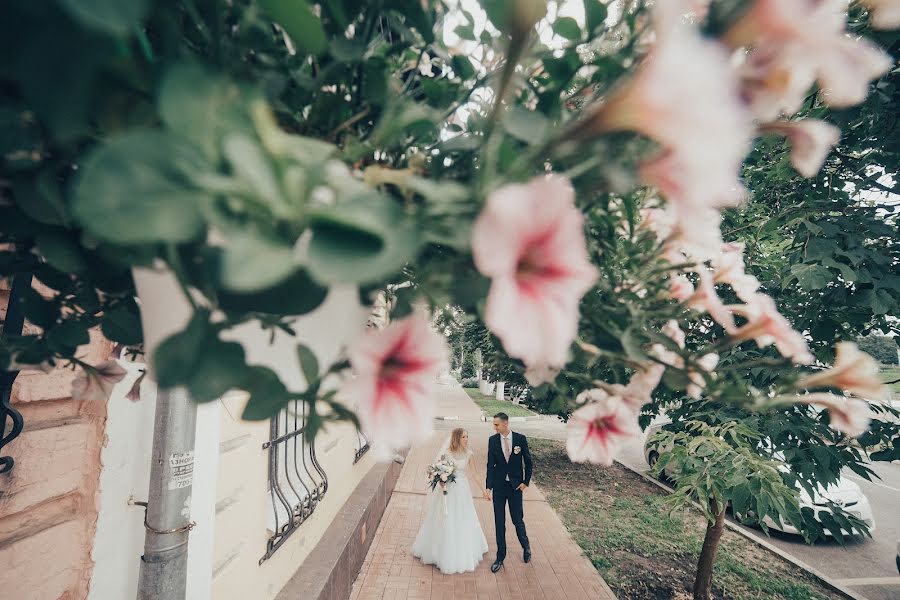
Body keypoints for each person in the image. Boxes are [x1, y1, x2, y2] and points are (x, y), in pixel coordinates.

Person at [411, 428, 488, 574]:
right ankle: (438, 551)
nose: (466, 439)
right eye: (464, 437)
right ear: (457, 438)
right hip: (448, 490)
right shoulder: (446, 453)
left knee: (463, 517)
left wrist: (484, 490)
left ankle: (462, 549)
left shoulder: (469, 454)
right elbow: (436, 470)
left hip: (462, 490)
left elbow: (475, 474)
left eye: (467, 436)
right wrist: (439, 479)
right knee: (445, 517)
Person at [484, 412, 532, 572]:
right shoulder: (492, 440)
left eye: (496, 424)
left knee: (517, 519)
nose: (494, 427)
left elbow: (529, 462)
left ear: (505, 423)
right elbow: (490, 465)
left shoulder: (520, 439)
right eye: (494, 424)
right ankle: (500, 556)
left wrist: (525, 482)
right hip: (498, 487)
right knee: (499, 522)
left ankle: (526, 546)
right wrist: (488, 487)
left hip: (515, 487)